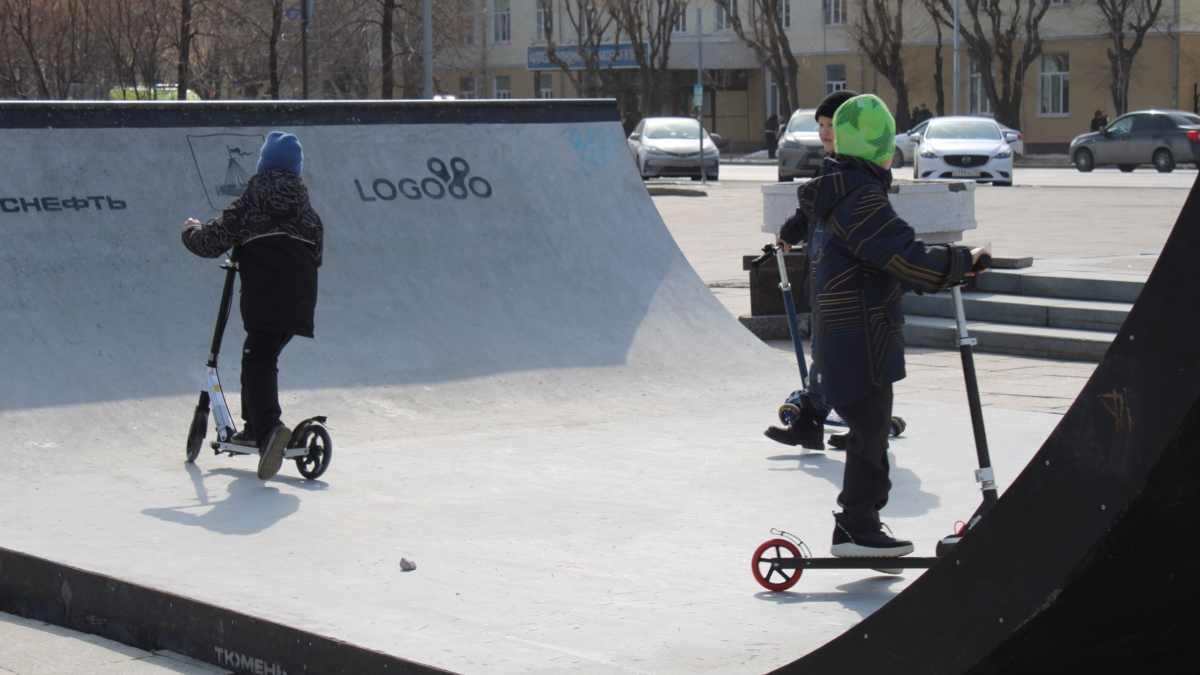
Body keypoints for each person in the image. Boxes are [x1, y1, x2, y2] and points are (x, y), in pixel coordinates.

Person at [797, 94, 987, 559]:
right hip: (857, 334)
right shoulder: (858, 194)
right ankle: (857, 528)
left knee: (872, 431)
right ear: (880, 147)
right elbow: (900, 254)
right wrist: (960, 263)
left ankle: (862, 524)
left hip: (855, 329)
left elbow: (888, 252)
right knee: (869, 433)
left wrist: (944, 267)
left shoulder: (845, 185)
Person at [181, 131, 324, 480]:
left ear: (262, 166)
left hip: (266, 296)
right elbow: (317, 255)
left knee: (257, 359)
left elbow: (209, 242)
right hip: (302, 299)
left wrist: (190, 230)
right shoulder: (309, 214)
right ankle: (254, 427)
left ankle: (270, 427)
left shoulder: (250, 203)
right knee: (261, 357)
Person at [765, 88, 859, 451]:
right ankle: (820, 424)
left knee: (838, 359)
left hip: (846, 281)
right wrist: (789, 233)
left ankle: (840, 425)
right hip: (826, 277)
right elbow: (810, 212)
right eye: (820, 126)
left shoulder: (853, 170)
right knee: (829, 356)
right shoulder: (832, 167)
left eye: (832, 125)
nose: (824, 133)